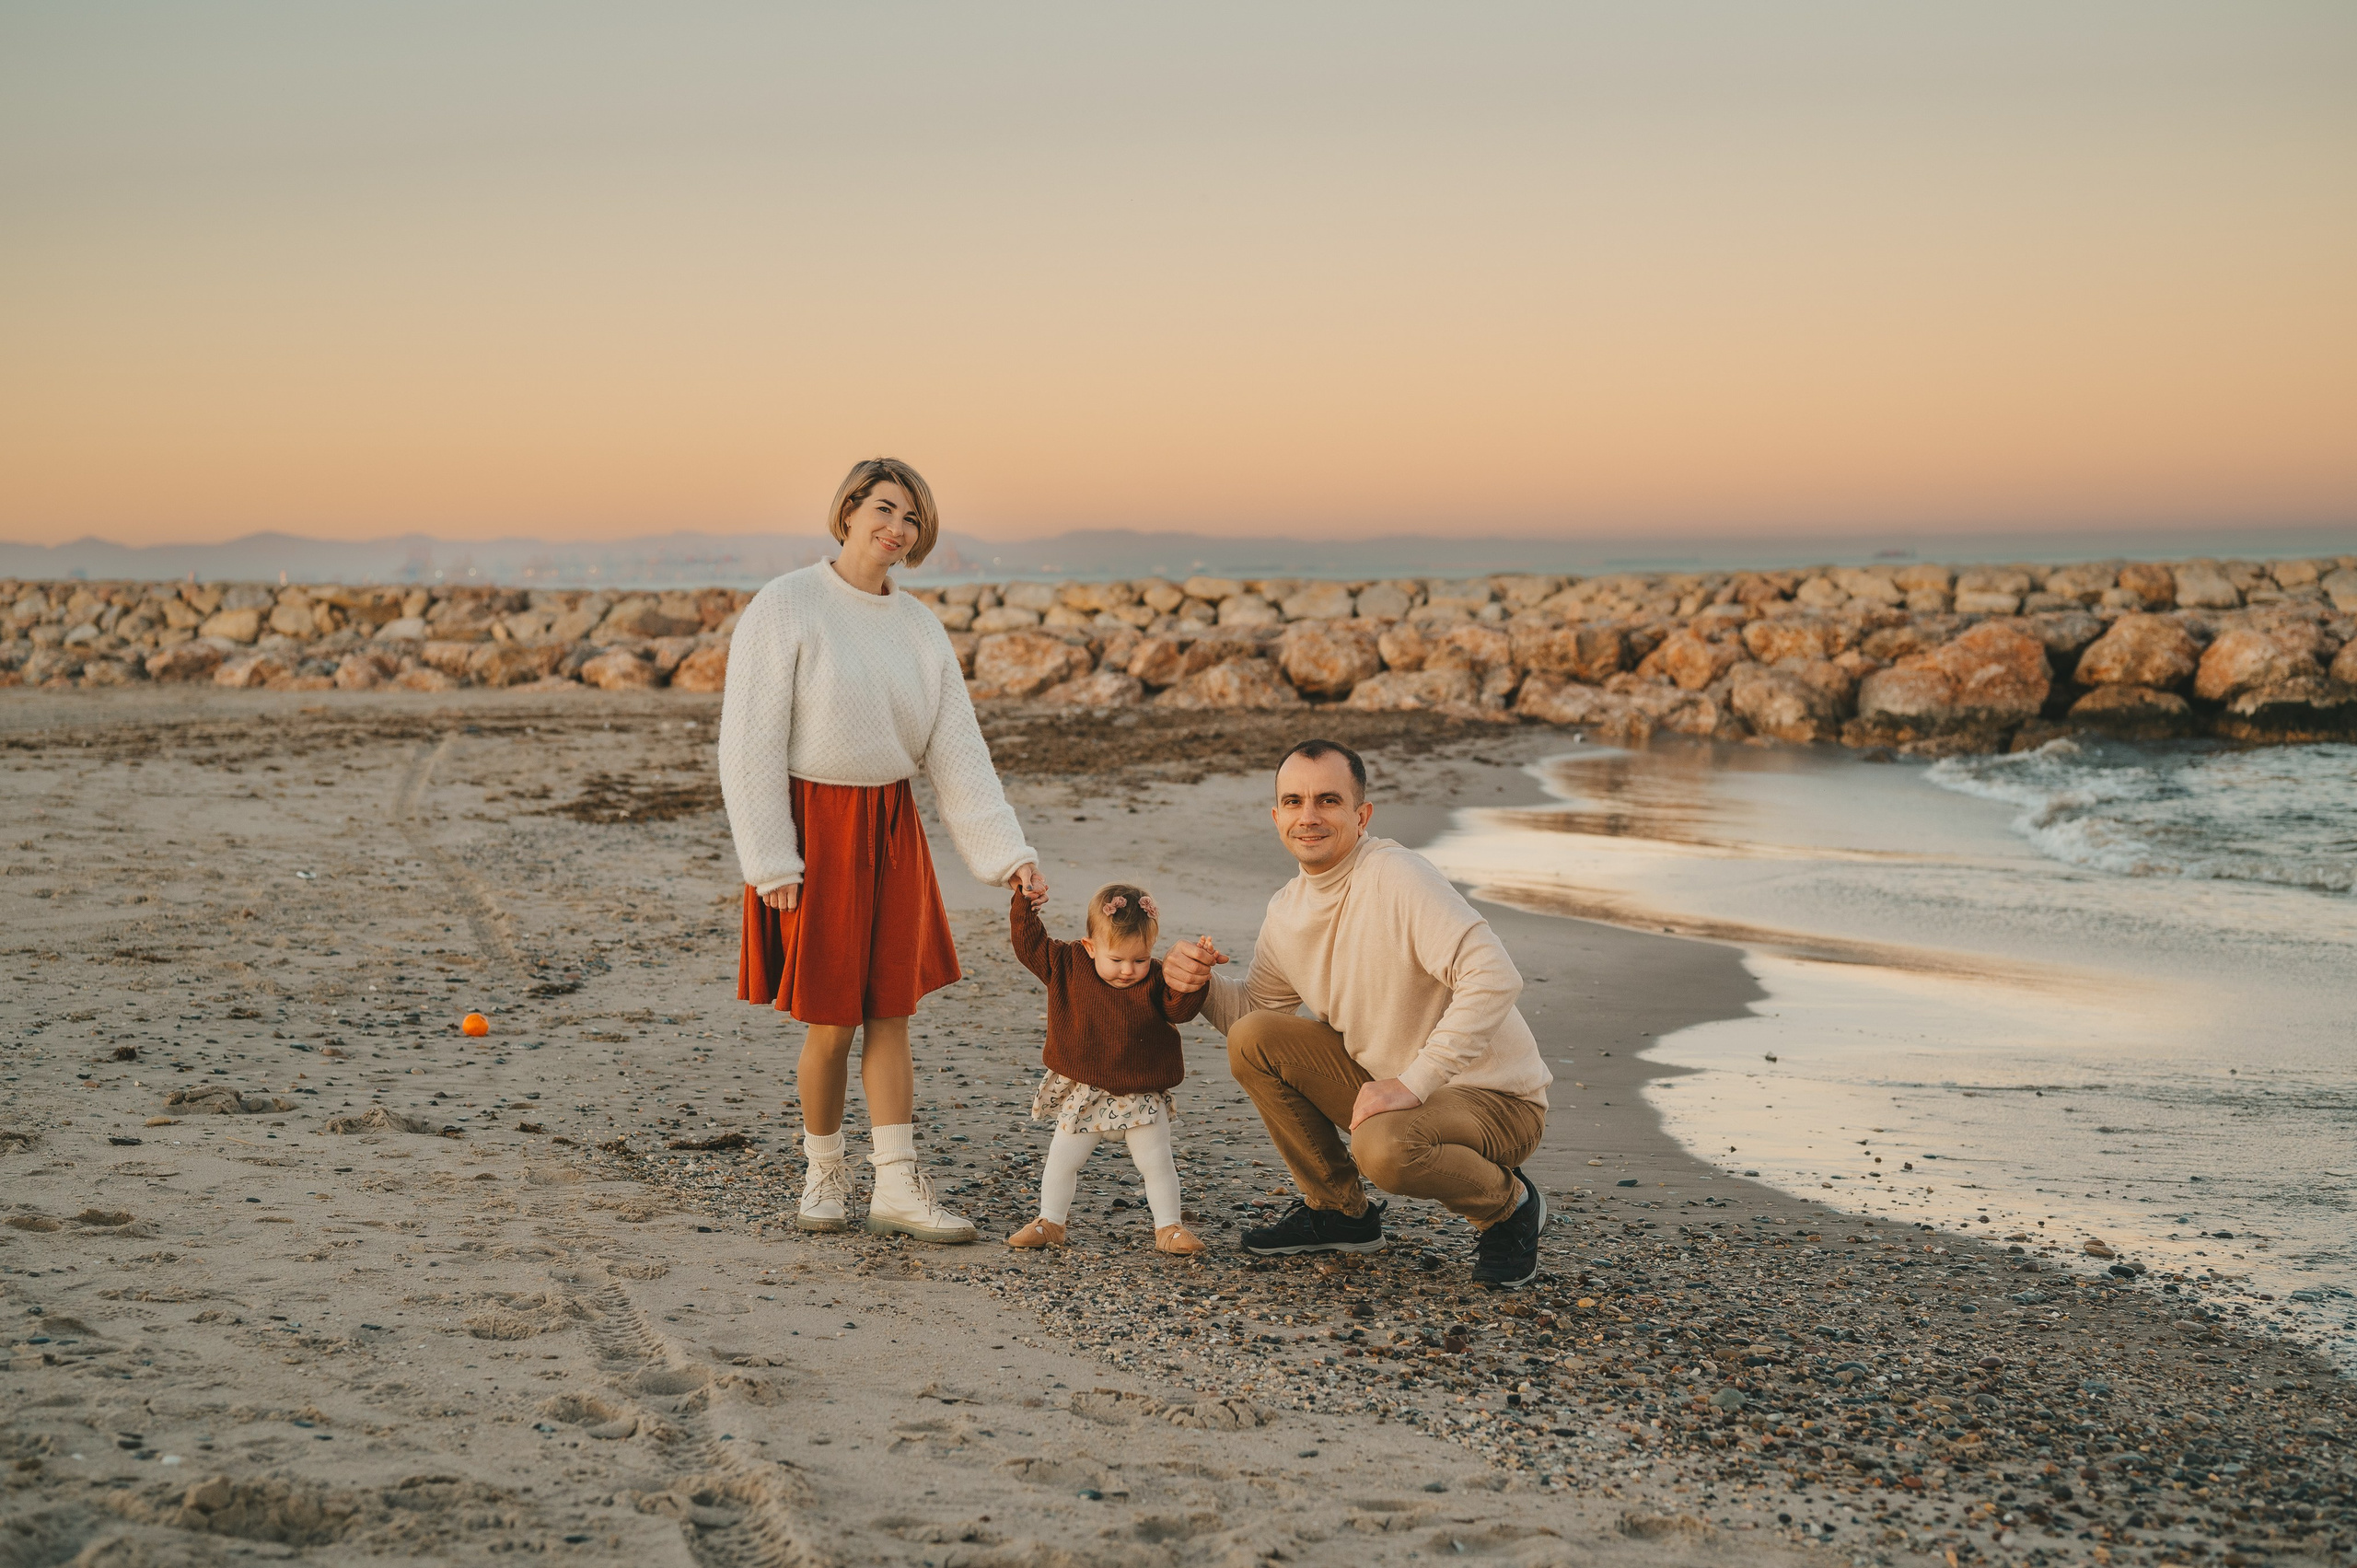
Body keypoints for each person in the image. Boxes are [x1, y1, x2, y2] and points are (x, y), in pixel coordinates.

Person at [718, 457, 1047, 1245]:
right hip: (814, 828)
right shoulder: (786, 604)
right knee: (831, 1020)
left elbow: (957, 751)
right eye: (885, 509)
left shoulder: (919, 626)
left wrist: (1009, 854)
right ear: (849, 510)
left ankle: (897, 1184)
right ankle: (824, 1171)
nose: (896, 529)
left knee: (891, 1013)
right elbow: (748, 741)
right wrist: (771, 860)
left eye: (912, 521)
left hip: (893, 826)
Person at [1162, 739, 1552, 1287]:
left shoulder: (1397, 877)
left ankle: (1508, 1208)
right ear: (1277, 816)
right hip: (1393, 1090)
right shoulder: (1287, 911)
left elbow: (1494, 976)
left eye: (1327, 800)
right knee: (1253, 1037)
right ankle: (1338, 1212)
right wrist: (1195, 984)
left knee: (1384, 1149)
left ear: (1360, 814)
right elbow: (1255, 1015)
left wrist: (1414, 1082)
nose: (1309, 816)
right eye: (1294, 802)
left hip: (1495, 1100)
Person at [1004, 882, 1208, 1255]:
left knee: (1157, 1163)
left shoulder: (1156, 977)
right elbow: (1028, 944)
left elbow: (1181, 1009)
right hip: (1085, 1089)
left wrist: (1195, 979)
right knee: (1062, 1160)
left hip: (1139, 1091)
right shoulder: (1066, 964)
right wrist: (1024, 905)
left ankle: (1169, 1227)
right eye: (1117, 960)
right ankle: (1050, 1221)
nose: (1129, 970)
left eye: (1140, 959)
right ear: (1091, 946)